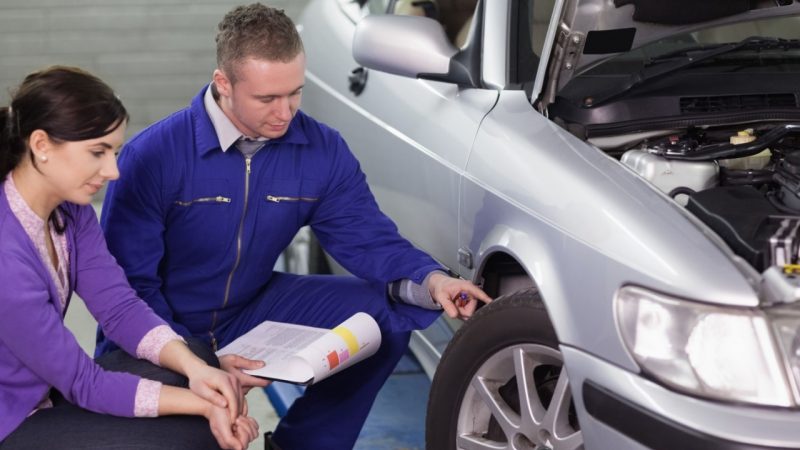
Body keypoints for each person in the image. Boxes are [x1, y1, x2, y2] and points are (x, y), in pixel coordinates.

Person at [96, 4, 492, 449]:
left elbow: (366, 236)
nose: (284, 113)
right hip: (163, 326)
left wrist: (432, 280)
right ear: (223, 83)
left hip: (250, 307)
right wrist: (196, 361)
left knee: (382, 319)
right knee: (199, 438)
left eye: (295, 93)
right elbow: (130, 287)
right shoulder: (153, 156)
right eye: (267, 99)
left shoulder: (321, 149)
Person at [0, 66, 259, 450]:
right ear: (41, 144)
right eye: (97, 152)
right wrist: (209, 406)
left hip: (48, 391)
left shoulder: (70, 209)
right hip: (12, 419)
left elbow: (119, 308)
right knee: (193, 431)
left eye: (115, 152)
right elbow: (84, 382)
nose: (112, 171)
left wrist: (198, 373)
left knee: (196, 356)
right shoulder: (6, 258)